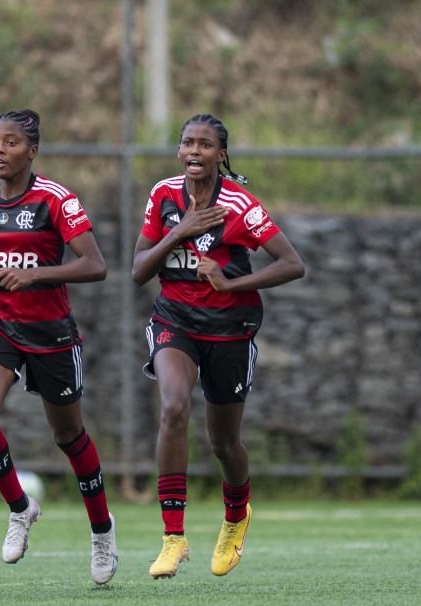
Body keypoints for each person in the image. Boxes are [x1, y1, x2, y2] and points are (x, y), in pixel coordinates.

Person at [132, 114, 305, 579]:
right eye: (187, 142)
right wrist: (179, 232)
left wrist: (232, 285)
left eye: (204, 145)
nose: (194, 152)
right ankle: (173, 538)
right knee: (172, 408)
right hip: (176, 320)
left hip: (230, 326)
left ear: (220, 154)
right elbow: (138, 270)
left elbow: (292, 264)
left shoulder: (240, 205)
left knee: (224, 443)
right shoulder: (163, 196)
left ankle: (236, 517)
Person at [0, 109, 117, 585]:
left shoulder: (56, 199)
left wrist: (35, 274)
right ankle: (20, 508)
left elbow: (96, 265)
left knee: (68, 436)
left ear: (32, 150)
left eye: (9, 143)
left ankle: (103, 532)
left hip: (50, 332)